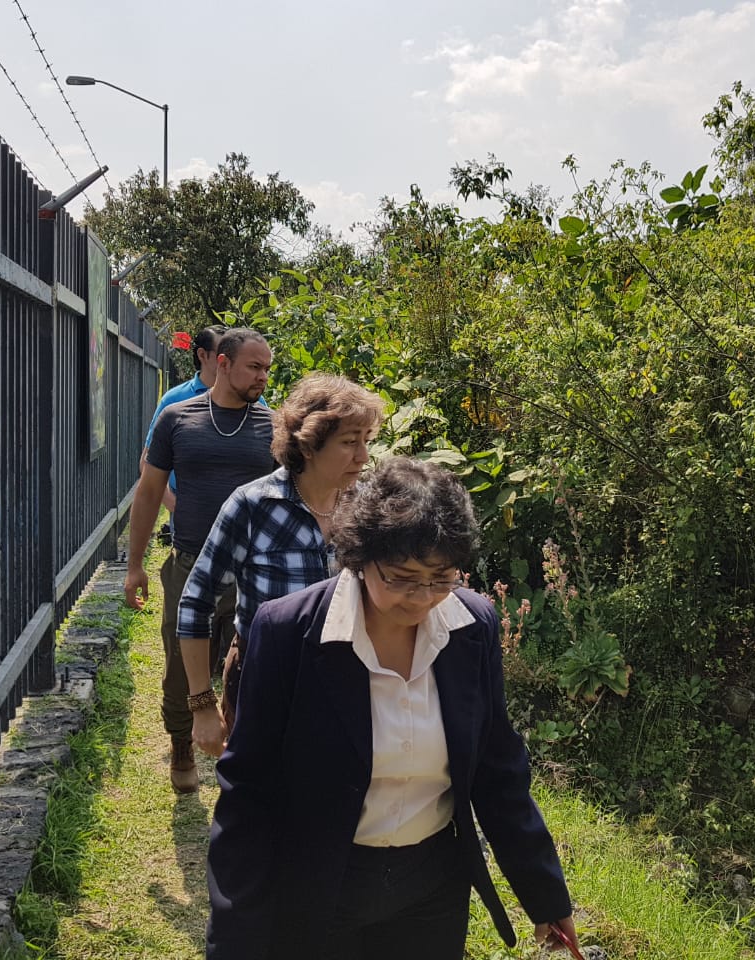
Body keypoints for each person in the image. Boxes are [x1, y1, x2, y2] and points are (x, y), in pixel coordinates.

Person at [199, 458, 578, 959]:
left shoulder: (472, 627)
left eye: (441, 577)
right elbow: (249, 790)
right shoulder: (288, 632)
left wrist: (544, 894)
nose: (422, 598)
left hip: (432, 888)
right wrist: (234, 937)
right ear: (359, 557)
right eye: (401, 578)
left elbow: (497, 769)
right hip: (318, 885)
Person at [177, 373, 385, 753]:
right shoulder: (252, 506)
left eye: (366, 442)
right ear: (308, 445)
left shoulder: (366, 506)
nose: (363, 457)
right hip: (265, 683)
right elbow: (196, 602)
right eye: (349, 443)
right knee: (263, 801)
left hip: (349, 682)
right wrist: (202, 706)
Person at [125, 327, 275, 792]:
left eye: (268, 369)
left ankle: (241, 749)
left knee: (247, 664)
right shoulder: (177, 418)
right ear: (223, 363)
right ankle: (182, 742)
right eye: (255, 367)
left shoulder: (273, 426)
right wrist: (135, 566)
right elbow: (149, 492)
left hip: (253, 570)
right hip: (190, 563)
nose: (263, 378)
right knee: (179, 662)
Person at [140, 325, 224, 518]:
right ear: (202, 355)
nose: (228, 359)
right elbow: (147, 461)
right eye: (222, 352)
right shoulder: (174, 400)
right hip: (187, 505)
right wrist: (175, 507)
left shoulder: (250, 399)